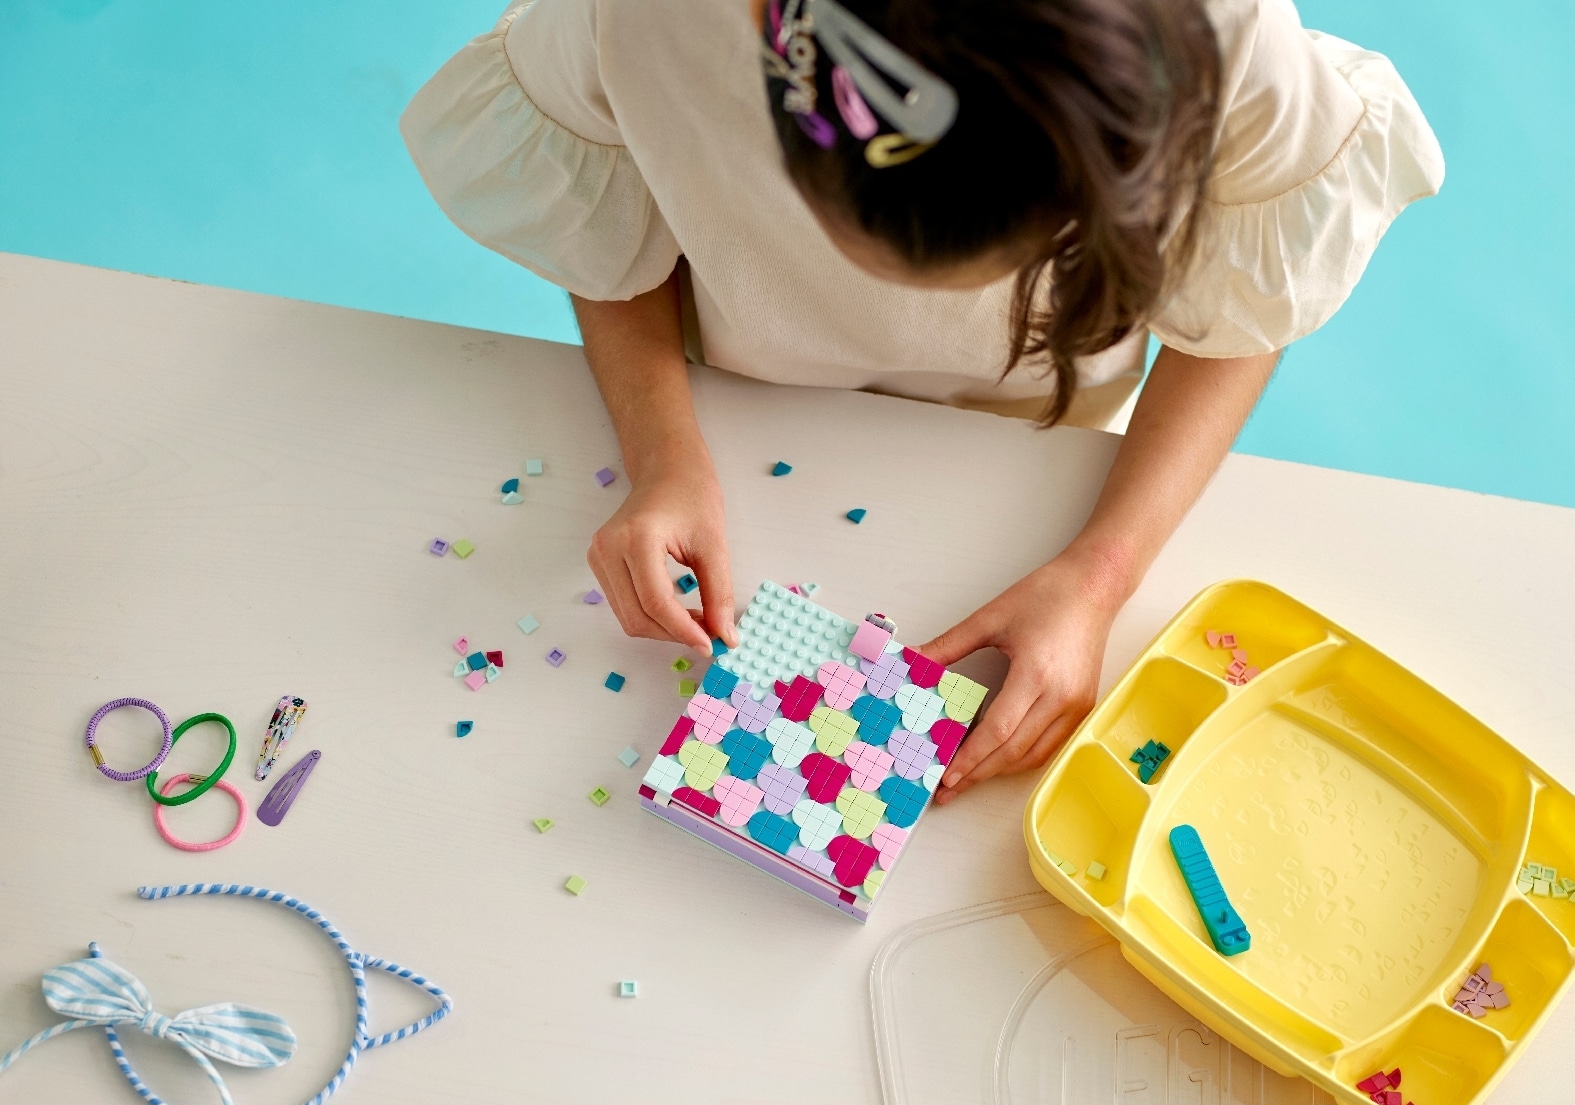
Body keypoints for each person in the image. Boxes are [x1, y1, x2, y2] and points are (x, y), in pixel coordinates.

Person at [402, 0, 1443, 802]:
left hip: (1046, 452)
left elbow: (1247, 309)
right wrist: (665, 451)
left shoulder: (1224, 40)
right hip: (738, 401)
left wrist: (1100, 573)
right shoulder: (649, 20)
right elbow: (602, 196)